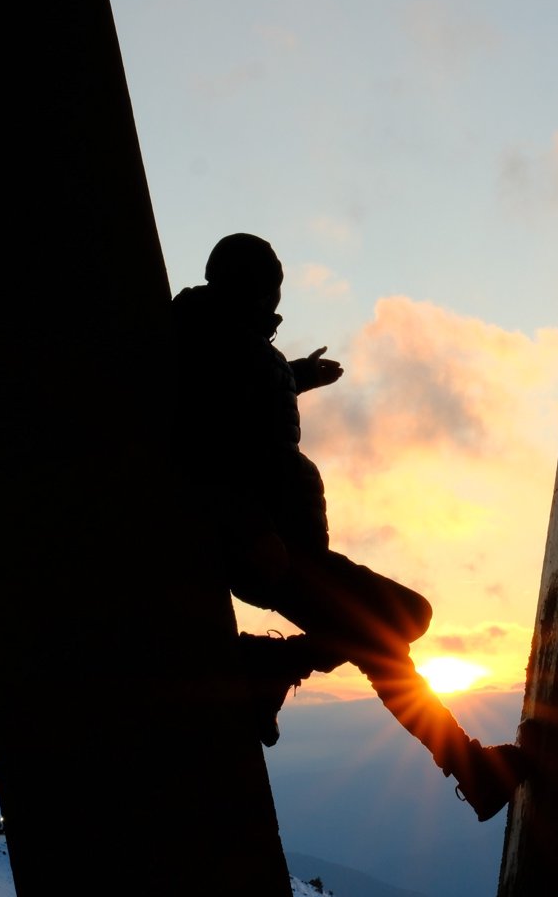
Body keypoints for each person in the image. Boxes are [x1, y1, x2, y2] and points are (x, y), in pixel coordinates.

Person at [170, 233, 526, 822]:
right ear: (250, 289)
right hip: (272, 549)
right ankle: (273, 668)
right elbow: (210, 448)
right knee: (404, 621)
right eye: (271, 296)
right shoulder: (214, 342)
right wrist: (254, 529)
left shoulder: (223, 337)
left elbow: (246, 398)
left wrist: (296, 375)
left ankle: (470, 767)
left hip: (284, 544)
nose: (275, 312)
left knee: (387, 640)